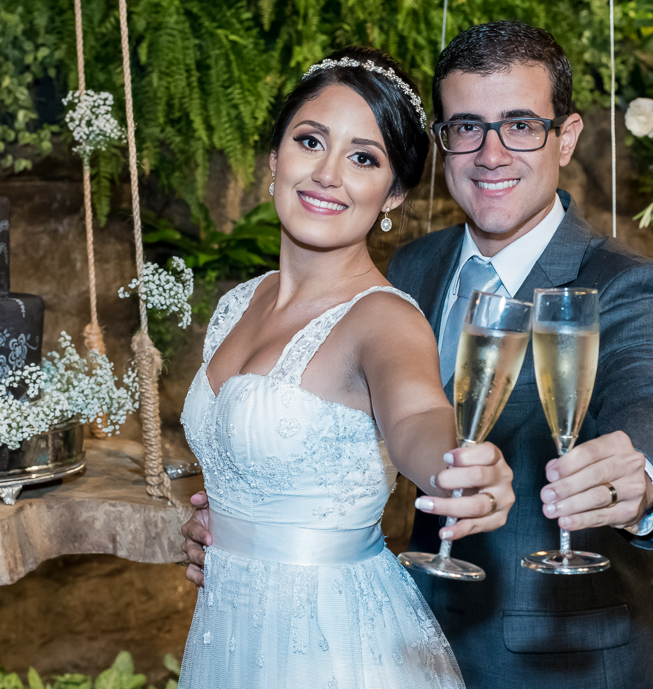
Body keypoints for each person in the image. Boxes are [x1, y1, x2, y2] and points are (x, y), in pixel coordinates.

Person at [182, 22, 653, 689]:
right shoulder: (413, 267)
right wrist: (241, 530)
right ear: (442, 141)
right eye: (467, 127)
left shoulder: (625, 284)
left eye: (520, 125)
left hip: (557, 667)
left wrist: (644, 479)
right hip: (390, 638)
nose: (491, 153)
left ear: (566, 136)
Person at [175, 45, 517, 689]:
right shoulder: (237, 304)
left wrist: (459, 467)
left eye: (364, 158)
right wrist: (218, 531)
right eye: (310, 141)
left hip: (333, 648)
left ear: (394, 193)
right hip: (229, 638)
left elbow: (418, 416)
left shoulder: (384, 318)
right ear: (274, 159)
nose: (328, 174)